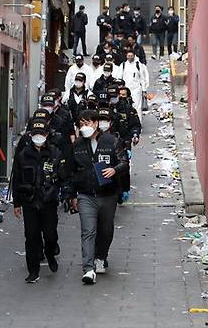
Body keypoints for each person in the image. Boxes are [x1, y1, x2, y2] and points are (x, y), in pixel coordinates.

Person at [67, 110, 129, 284]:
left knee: (106, 230)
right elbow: (71, 172)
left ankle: (100, 257)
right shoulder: (78, 145)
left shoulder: (111, 141)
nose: (84, 127)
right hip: (86, 195)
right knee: (88, 231)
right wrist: (72, 195)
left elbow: (124, 162)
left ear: (95, 123)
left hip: (108, 194)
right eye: (81, 124)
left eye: (87, 123)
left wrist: (114, 170)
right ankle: (88, 268)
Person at [11, 117, 65, 283]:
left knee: (49, 235)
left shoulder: (55, 153)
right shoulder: (23, 154)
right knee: (31, 236)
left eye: (42, 133)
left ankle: (50, 254)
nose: (38, 137)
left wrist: (63, 193)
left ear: (47, 134)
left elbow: (62, 176)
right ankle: (33, 270)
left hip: (49, 201)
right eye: (35, 134)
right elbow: (17, 179)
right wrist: (17, 203)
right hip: (30, 201)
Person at [119, 49, 149, 121]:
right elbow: (119, 77)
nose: (130, 57)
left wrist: (144, 90)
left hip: (136, 89)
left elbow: (142, 78)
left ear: (134, 56)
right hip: (125, 89)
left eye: (131, 56)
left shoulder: (138, 65)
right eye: (128, 56)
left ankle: (138, 123)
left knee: (137, 107)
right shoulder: (123, 65)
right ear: (126, 56)